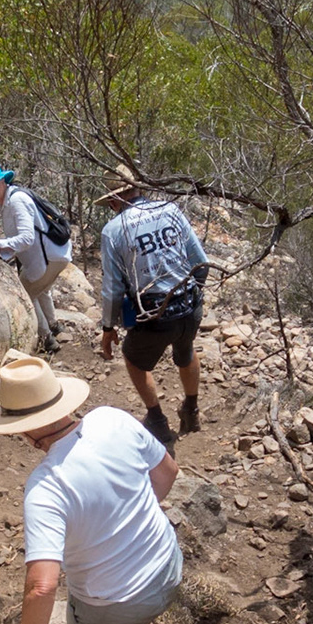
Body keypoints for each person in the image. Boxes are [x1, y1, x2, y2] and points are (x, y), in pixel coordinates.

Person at [0, 351, 192, 624]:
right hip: (166, 565)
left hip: (112, 602)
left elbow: (42, 586)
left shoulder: (46, 487)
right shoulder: (112, 418)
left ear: (25, 432)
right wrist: (129, 524)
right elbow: (168, 471)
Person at [98, 166, 208, 451]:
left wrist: (108, 327)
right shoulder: (170, 210)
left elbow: (112, 287)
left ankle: (157, 420)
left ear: (114, 200)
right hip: (189, 303)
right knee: (185, 349)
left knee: (133, 358)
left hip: (155, 313)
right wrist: (195, 294)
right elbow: (199, 259)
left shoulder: (113, 231)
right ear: (138, 189)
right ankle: (191, 409)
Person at [0, 159, 70, 354]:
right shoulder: (8, 200)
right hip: (55, 255)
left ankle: (46, 338)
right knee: (40, 290)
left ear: (2, 181)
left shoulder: (16, 201)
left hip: (48, 257)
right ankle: (54, 326)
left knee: (25, 293)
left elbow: (26, 238)